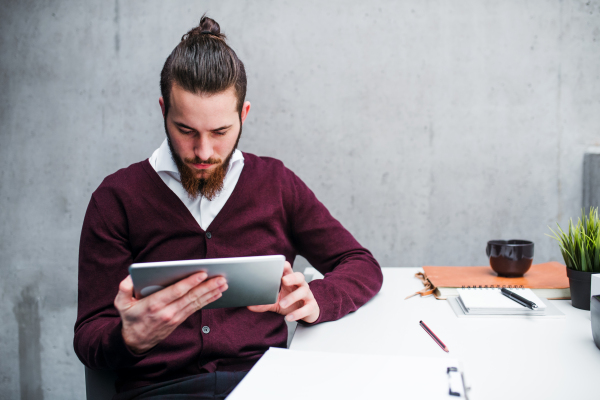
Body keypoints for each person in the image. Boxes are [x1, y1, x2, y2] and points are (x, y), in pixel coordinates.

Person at [74, 15, 383, 399]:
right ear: (163, 111)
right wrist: (128, 338)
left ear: (244, 116)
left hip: (267, 386)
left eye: (220, 132)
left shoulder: (276, 184)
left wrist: (316, 299)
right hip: (161, 391)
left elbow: (360, 263)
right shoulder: (116, 199)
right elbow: (89, 335)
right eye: (186, 130)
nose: (203, 152)